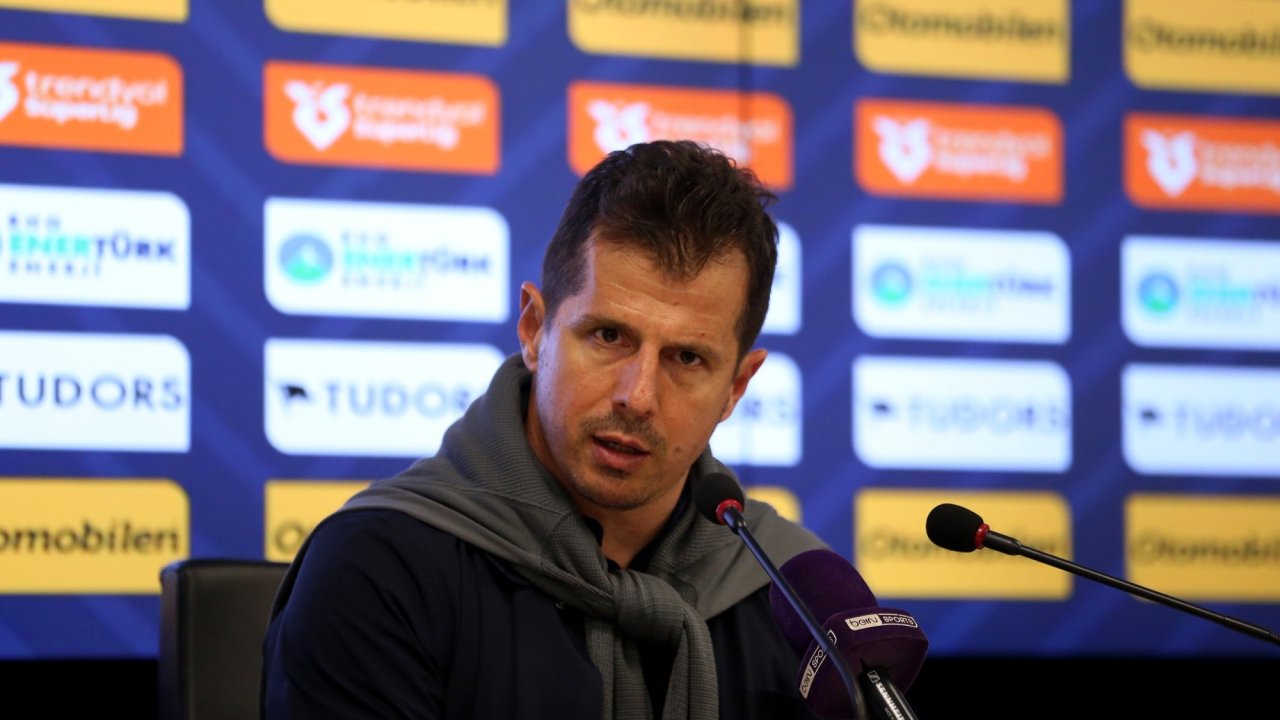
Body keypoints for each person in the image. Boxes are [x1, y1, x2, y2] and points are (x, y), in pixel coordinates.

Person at [260, 139, 829, 719]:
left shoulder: (803, 601)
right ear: (534, 330)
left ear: (736, 386)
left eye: (686, 358)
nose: (637, 397)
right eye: (608, 336)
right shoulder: (377, 568)